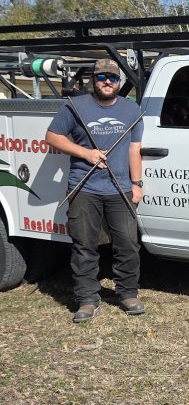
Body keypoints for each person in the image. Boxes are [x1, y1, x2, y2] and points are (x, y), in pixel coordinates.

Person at [46, 58, 145, 322]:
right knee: (84, 246)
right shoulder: (75, 106)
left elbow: (135, 148)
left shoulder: (132, 109)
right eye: (102, 77)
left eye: (112, 78)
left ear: (119, 82)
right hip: (83, 187)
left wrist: (137, 184)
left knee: (127, 244)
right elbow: (52, 137)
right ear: (93, 79)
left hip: (120, 188)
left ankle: (127, 293)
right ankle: (87, 300)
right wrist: (85, 153)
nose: (107, 82)